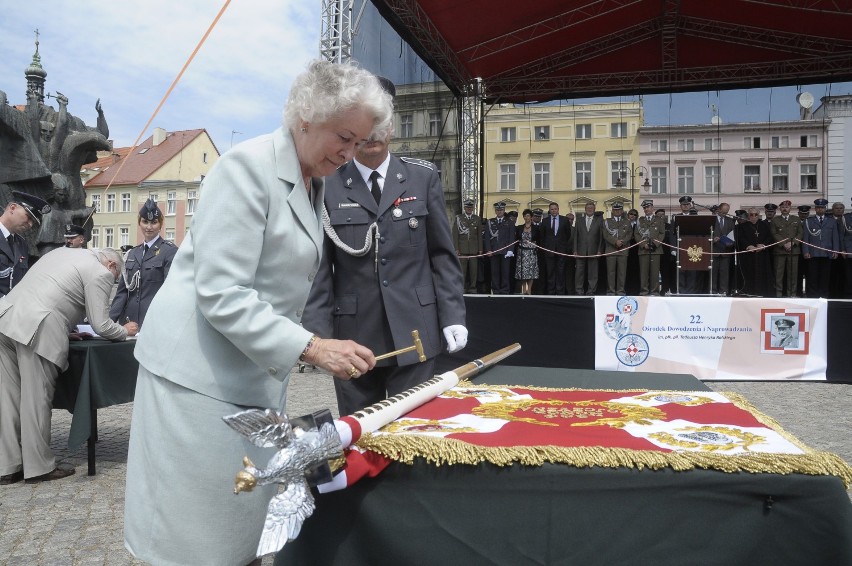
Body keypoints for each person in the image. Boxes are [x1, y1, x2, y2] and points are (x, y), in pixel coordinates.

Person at [123, 60, 393, 566]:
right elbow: (222, 292)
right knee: (194, 537)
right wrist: (312, 346)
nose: (350, 152)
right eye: (344, 136)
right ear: (306, 117)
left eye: (358, 142)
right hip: (197, 379)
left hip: (244, 373)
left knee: (238, 524)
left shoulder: (315, 181)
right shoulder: (247, 166)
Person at [303, 76, 466, 417]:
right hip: (353, 337)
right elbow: (318, 269)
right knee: (361, 436)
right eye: (367, 128)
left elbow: (441, 255)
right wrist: (319, 338)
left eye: (382, 125)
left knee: (415, 433)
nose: (374, 135)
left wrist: (453, 315)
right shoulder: (327, 185)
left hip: (416, 329)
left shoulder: (423, 177)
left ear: (393, 129)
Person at [0, 247, 137, 485]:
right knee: (35, 399)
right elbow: (101, 324)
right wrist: (125, 331)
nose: (111, 281)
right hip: (37, 328)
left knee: (7, 399)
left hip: (7, 320)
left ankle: (7, 466)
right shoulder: (100, 272)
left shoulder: (62, 252)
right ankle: (38, 467)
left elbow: (51, 292)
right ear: (112, 266)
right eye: (115, 279)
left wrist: (67, 331)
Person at [109, 198, 178, 327]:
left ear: (161, 224)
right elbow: (122, 293)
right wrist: (109, 324)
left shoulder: (169, 252)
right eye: (145, 222)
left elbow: (171, 291)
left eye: (154, 222)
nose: (149, 227)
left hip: (155, 321)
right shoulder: (132, 253)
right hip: (129, 322)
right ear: (139, 223)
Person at [1, 191, 51, 297]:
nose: (30, 224)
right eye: (28, 216)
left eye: (33, 221)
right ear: (13, 208)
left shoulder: (21, 244)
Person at [801, 198, 839, 298]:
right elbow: (805, 238)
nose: (820, 210)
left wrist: (835, 250)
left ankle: (824, 297)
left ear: (825, 208)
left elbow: (835, 237)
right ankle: (813, 297)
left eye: (822, 208)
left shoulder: (832, 221)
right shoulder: (808, 221)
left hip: (827, 253)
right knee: (812, 277)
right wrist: (806, 251)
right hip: (813, 253)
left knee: (825, 278)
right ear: (815, 209)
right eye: (818, 207)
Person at [735, 208, 772, 296]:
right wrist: (748, 246)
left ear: (758, 215)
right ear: (748, 216)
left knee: (762, 274)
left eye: (755, 214)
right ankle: (749, 292)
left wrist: (763, 245)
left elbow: (770, 237)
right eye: (751, 214)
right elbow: (741, 238)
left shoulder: (764, 225)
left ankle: (762, 293)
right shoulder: (743, 226)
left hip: (762, 255)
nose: (753, 216)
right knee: (749, 274)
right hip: (749, 256)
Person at [770, 200, 803, 297]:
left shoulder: (796, 219)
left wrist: (793, 243)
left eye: (787, 207)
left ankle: (791, 294)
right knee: (778, 275)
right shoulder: (775, 220)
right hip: (780, 251)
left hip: (794, 250)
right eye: (783, 207)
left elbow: (800, 233)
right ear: (780, 209)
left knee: (793, 274)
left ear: (790, 209)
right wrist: (784, 243)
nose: (785, 209)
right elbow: (774, 233)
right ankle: (778, 294)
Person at [484, 201, 515, 294]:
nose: (499, 212)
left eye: (501, 210)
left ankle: (505, 290)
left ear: (504, 210)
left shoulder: (509, 222)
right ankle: (496, 290)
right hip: (494, 250)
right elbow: (487, 238)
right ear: (495, 211)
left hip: (505, 251)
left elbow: (511, 237)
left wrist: (510, 250)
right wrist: (488, 250)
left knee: (505, 272)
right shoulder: (490, 222)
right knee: (495, 272)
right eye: (497, 210)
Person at [539, 202, 571, 294]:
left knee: (560, 272)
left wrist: (562, 245)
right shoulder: (545, 221)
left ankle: (560, 291)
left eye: (555, 209)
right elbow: (542, 236)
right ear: (549, 210)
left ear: (558, 209)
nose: (554, 211)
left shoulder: (564, 220)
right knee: (550, 272)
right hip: (549, 251)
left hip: (561, 250)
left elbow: (568, 234)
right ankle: (551, 292)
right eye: (552, 209)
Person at [453, 199, 482, 293]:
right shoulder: (459, 218)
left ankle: (473, 287)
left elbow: (479, 235)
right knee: (462, 270)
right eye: (467, 207)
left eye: (471, 207)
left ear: (473, 208)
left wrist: (480, 249)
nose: (469, 209)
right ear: (464, 208)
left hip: (474, 248)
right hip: (462, 248)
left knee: (474, 270)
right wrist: (456, 248)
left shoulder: (477, 219)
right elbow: (455, 235)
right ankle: (462, 287)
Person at [574, 201, 603, 295]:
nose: (589, 209)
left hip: (594, 251)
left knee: (593, 273)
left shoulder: (599, 220)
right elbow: (575, 236)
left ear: (594, 209)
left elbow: (601, 237)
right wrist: (574, 250)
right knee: (579, 273)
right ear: (585, 209)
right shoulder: (579, 220)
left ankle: (591, 291)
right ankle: (579, 291)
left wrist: (599, 250)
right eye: (588, 208)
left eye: (591, 208)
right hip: (580, 250)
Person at [637, 199, 665, 296]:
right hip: (643, 250)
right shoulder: (640, 220)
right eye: (644, 208)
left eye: (648, 207)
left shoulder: (659, 220)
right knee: (643, 272)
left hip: (656, 250)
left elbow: (662, 233)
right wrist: (643, 244)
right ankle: (644, 291)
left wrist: (655, 243)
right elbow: (636, 234)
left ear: (652, 208)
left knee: (654, 272)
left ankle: (654, 291)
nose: (646, 209)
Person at [602, 202, 632, 295]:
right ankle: (611, 290)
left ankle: (620, 290)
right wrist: (615, 241)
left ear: (622, 211)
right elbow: (605, 234)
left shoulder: (627, 221)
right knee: (611, 272)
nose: (617, 211)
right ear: (612, 211)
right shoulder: (607, 221)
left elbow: (629, 234)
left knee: (622, 272)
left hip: (623, 250)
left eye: (619, 209)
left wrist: (622, 242)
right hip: (611, 249)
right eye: (615, 210)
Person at [710, 202, 735, 295]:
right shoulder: (711, 220)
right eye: (723, 212)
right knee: (713, 273)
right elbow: (706, 234)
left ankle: (723, 292)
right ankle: (713, 292)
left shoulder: (730, 221)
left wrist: (730, 243)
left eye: (726, 212)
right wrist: (713, 239)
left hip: (725, 251)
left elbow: (732, 235)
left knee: (724, 274)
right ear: (719, 209)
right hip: (714, 251)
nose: (724, 214)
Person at [514, 209, 540, 295]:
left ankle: (529, 290)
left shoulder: (536, 228)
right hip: (522, 252)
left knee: (531, 272)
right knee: (523, 272)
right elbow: (517, 239)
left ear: (531, 217)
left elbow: (539, 240)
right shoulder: (519, 227)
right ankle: (524, 289)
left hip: (532, 252)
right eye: (525, 216)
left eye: (528, 216)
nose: (526, 217)